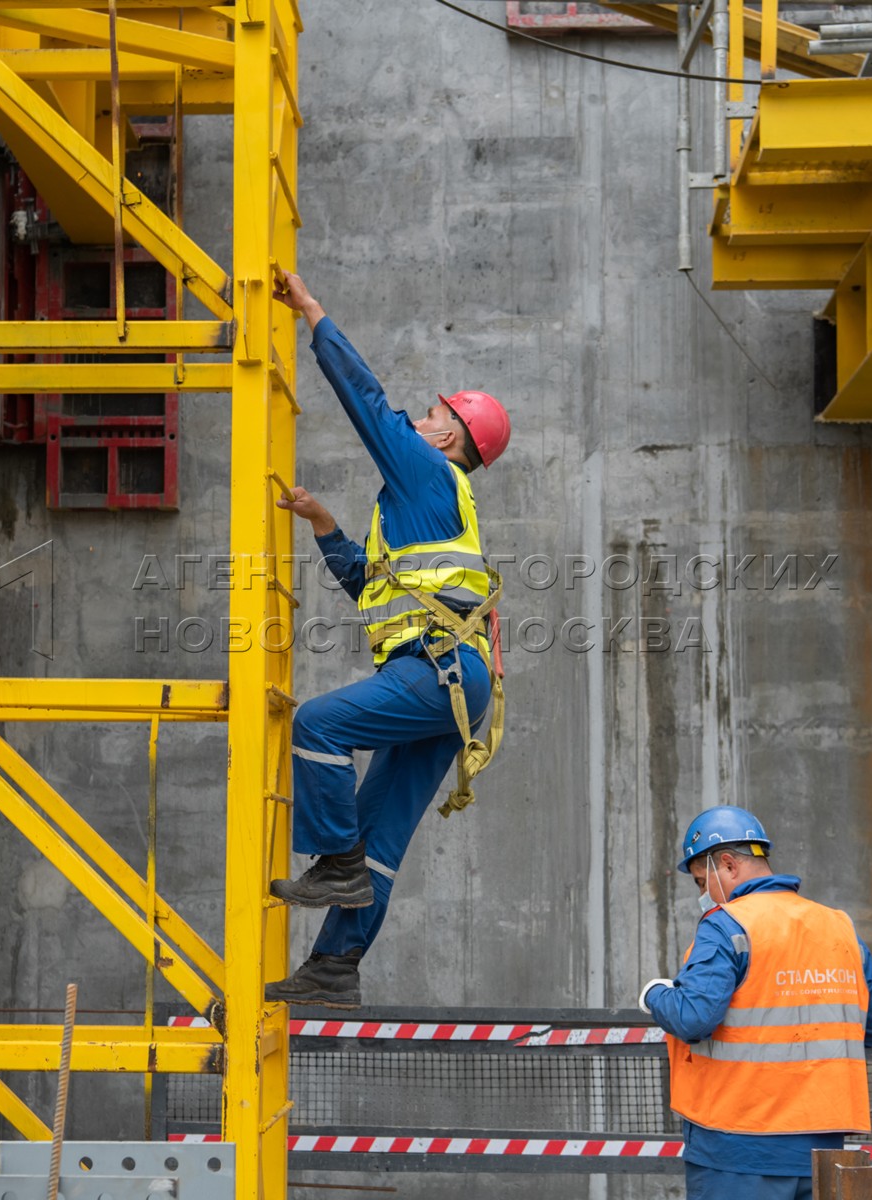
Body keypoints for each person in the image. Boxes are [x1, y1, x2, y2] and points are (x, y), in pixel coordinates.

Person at [263, 267, 511, 1009]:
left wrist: (313, 312)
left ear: (453, 435)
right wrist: (325, 525)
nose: (422, 417)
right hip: (453, 683)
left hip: (439, 676)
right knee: (384, 837)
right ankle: (337, 965)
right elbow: (371, 589)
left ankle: (335, 860)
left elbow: (368, 404)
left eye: (437, 414)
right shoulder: (425, 503)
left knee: (318, 724)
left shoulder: (427, 472)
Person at [638, 805, 872, 1200]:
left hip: (738, 1149)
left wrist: (654, 994)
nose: (704, 895)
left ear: (729, 865)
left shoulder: (727, 925)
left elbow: (692, 1018)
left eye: (703, 882)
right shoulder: (840, 928)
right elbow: (870, 1030)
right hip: (824, 1152)